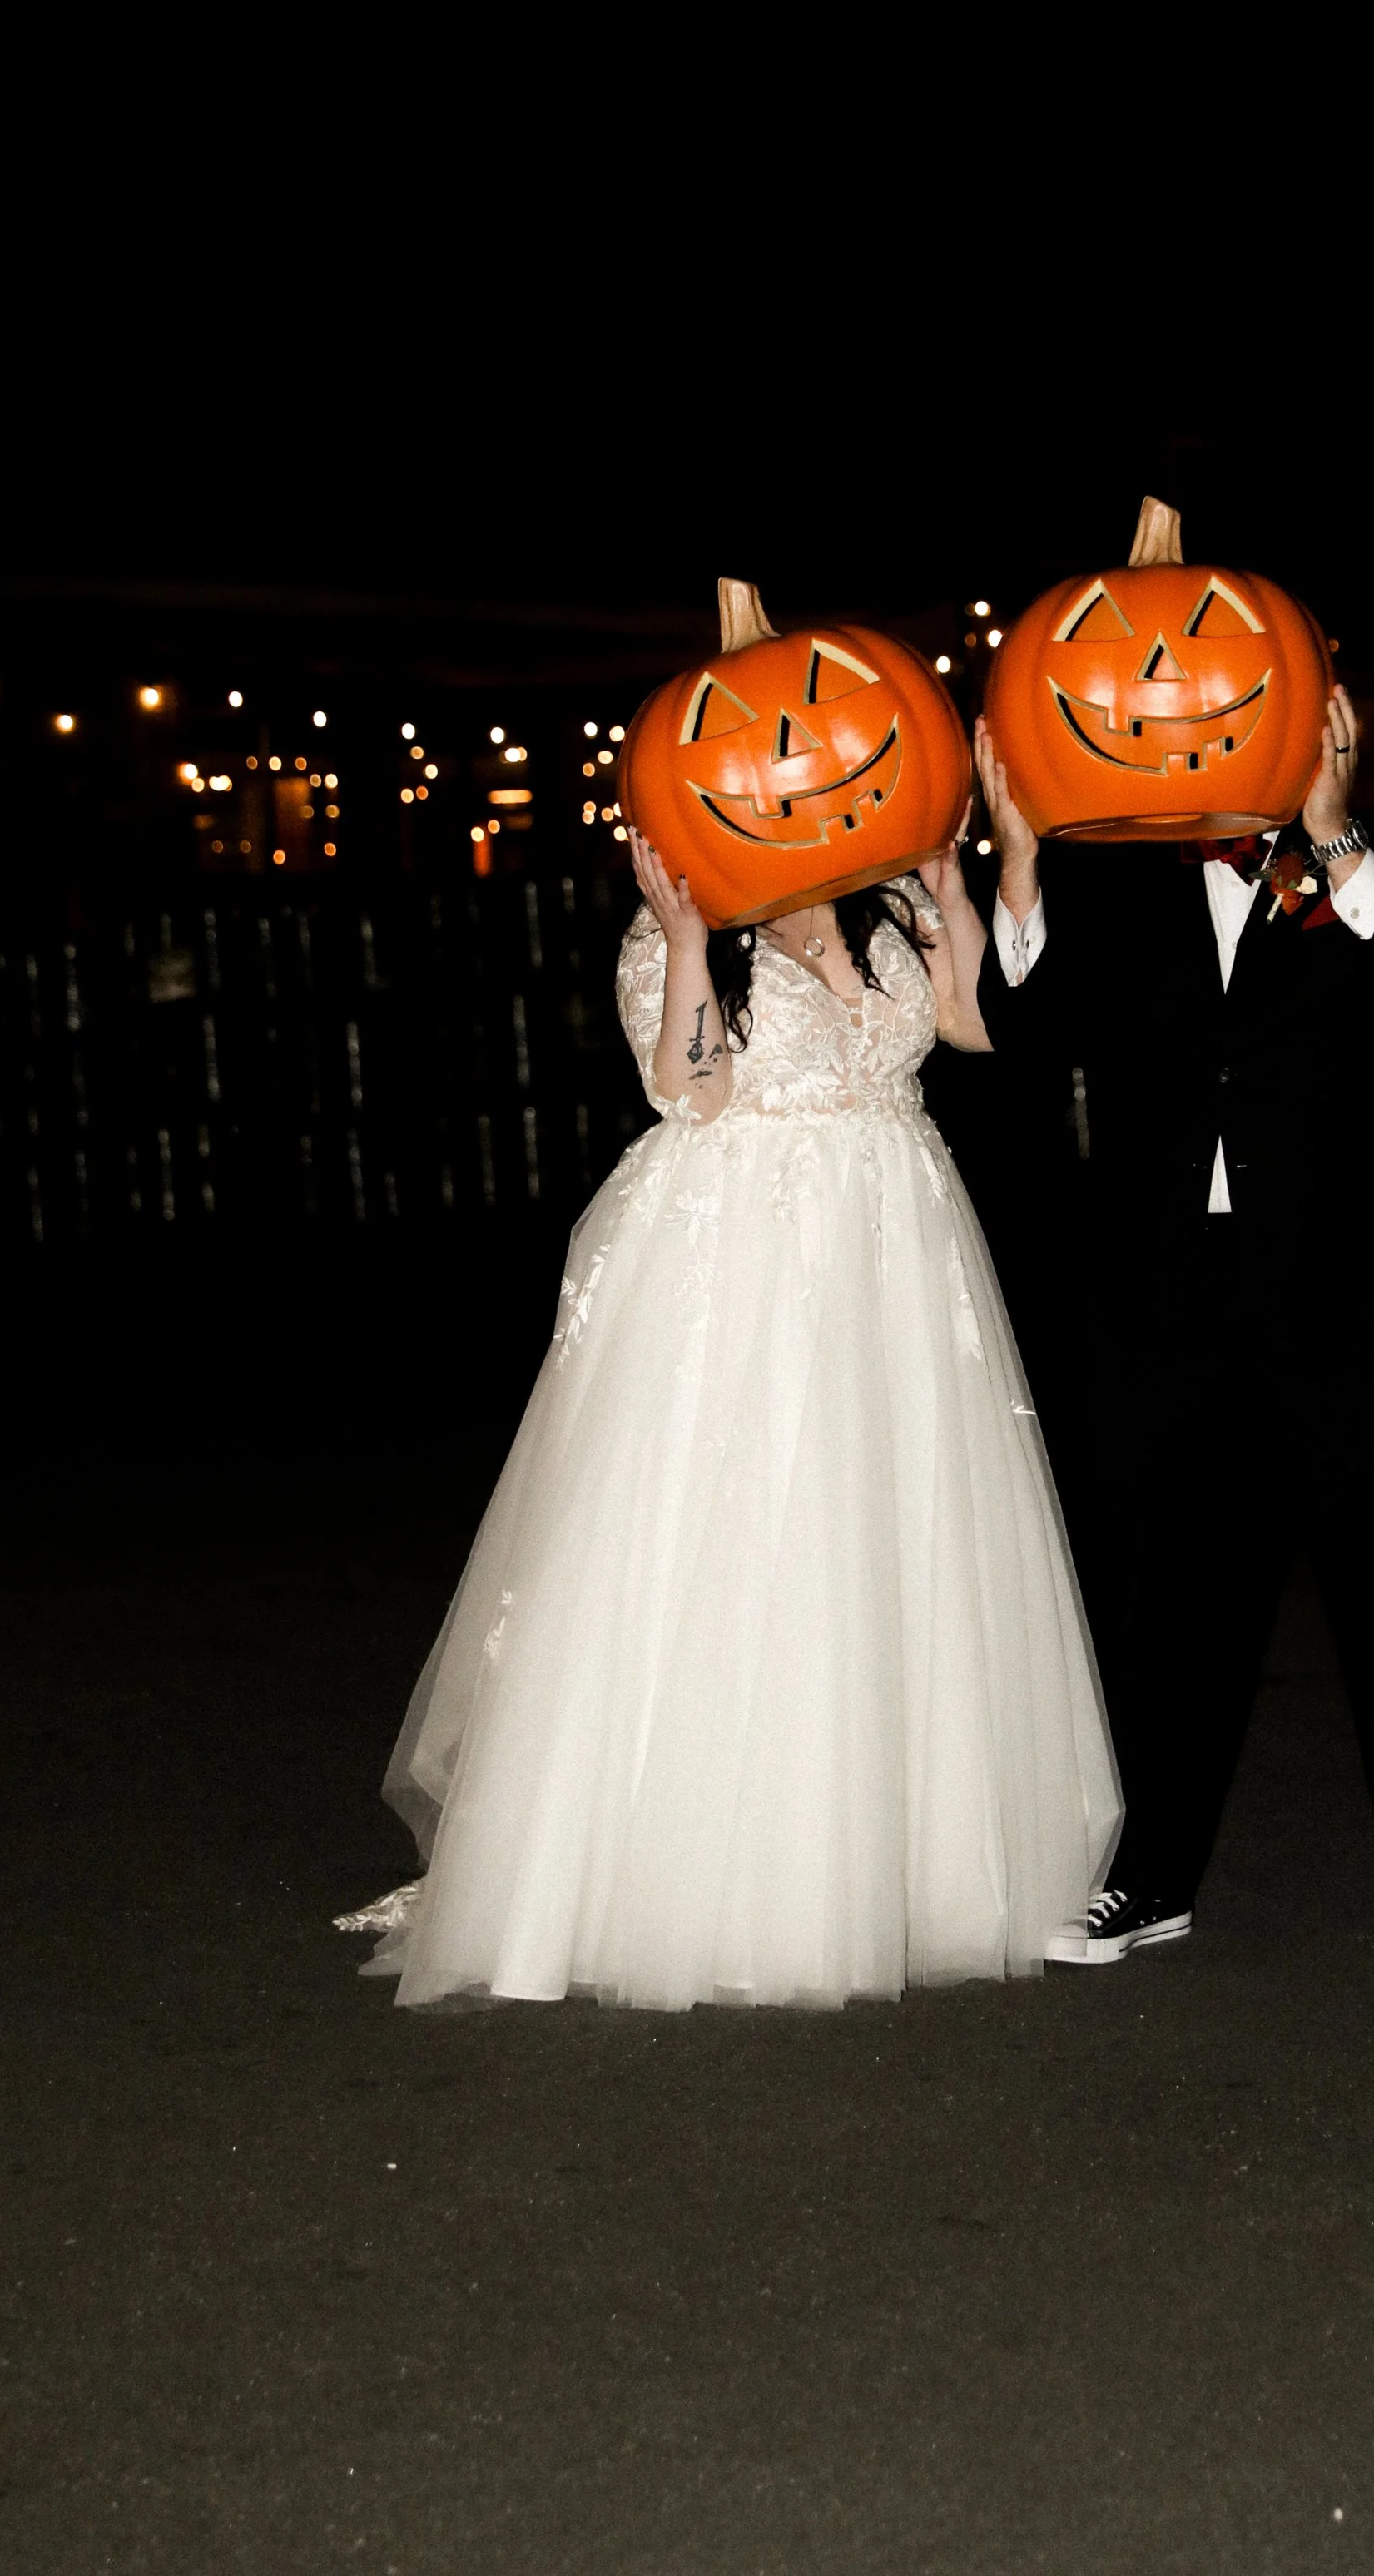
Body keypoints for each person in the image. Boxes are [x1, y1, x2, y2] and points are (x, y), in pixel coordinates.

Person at [337, 810, 1119, 2013]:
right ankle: (724, 1876)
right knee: (747, 1533)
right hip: (750, 1254)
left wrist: (953, 879)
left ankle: (907, 1858)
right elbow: (686, 1091)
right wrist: (694, 938)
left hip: (893, 1251)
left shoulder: (892, 910)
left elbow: (967, 1022)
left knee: (892, 1539)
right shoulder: (678, 932)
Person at [971, 680, 1374, 1977]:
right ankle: (1146, 1875)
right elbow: (1025, 1025)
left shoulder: (1366, 868)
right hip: (1169, 1291)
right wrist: (1017, 859)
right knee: (1164, 1603)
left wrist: (1334, 838)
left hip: (1349, 1290)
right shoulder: (1118, 879)